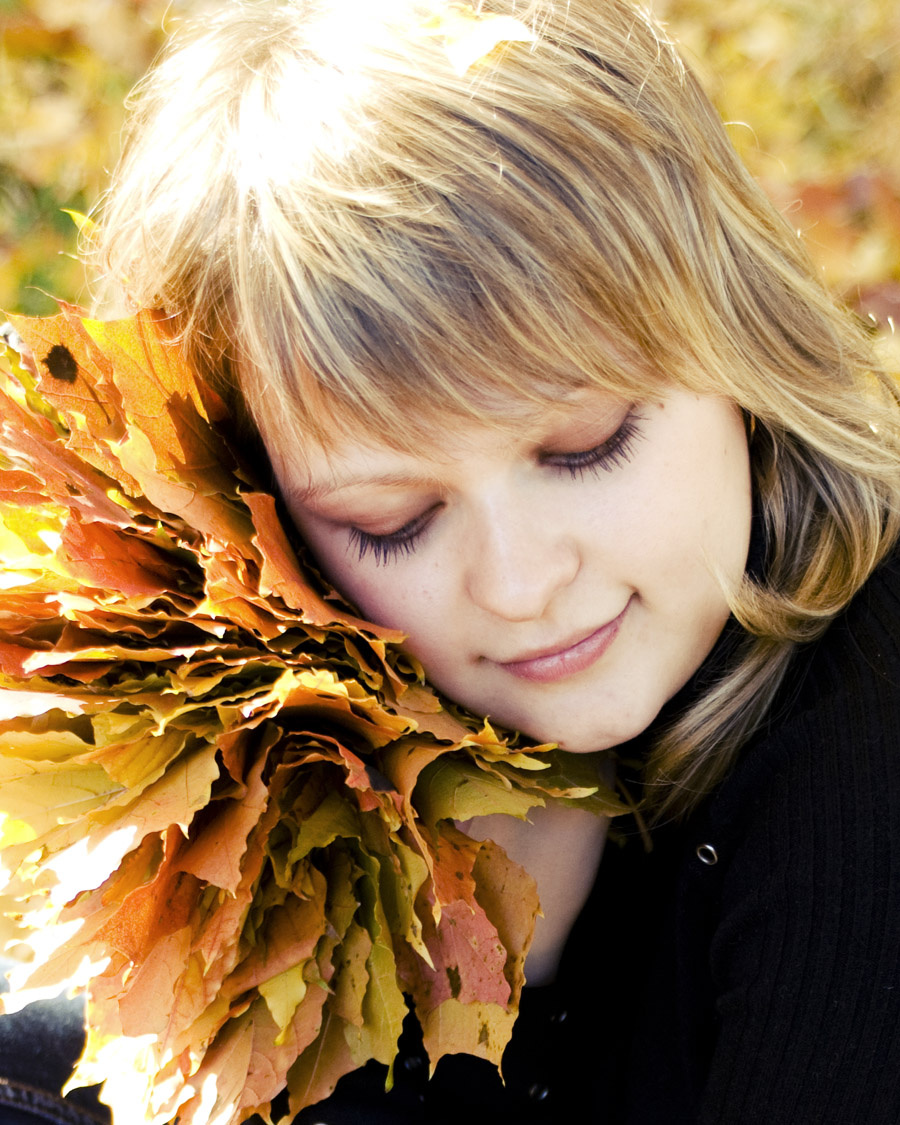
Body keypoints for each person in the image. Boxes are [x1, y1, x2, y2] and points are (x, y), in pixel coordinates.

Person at [16, 0, 900, 1121]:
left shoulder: (862, 754)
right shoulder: (315, 771)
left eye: (586, 447)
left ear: (738, 331)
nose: (520, 585)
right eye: (391, 520)